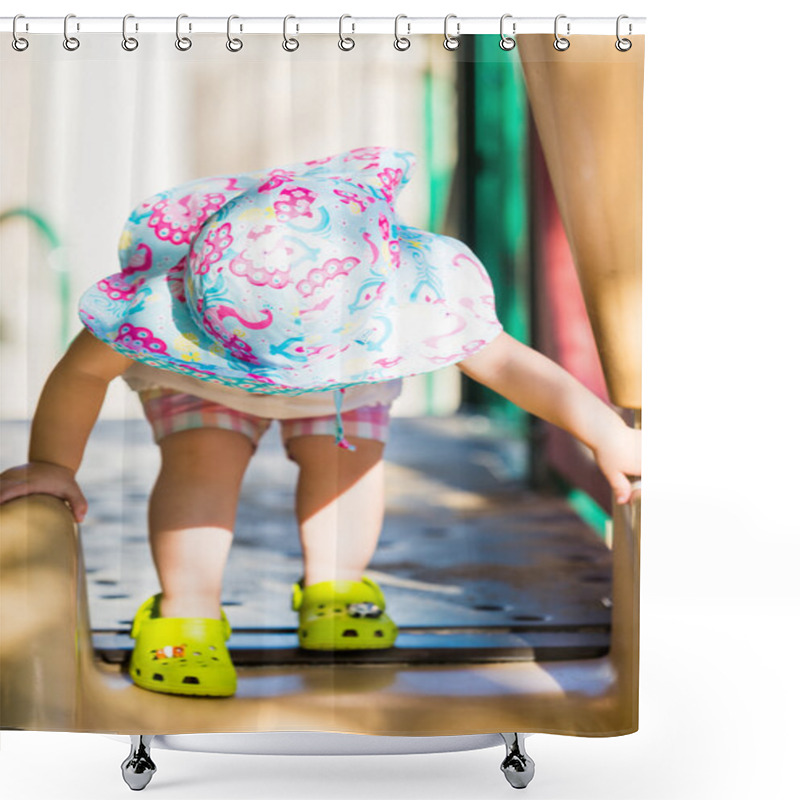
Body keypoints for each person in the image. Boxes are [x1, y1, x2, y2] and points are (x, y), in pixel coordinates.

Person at [0, 146, 641, 699]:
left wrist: (606, 432)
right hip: (206, 361)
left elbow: (509, 365)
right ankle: (187, 613)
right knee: (202, 464)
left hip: (348, 361)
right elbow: (79, 375)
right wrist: (55, 464)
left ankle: (335, 586)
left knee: (348, 461)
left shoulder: (399, 298)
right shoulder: (172, 307)